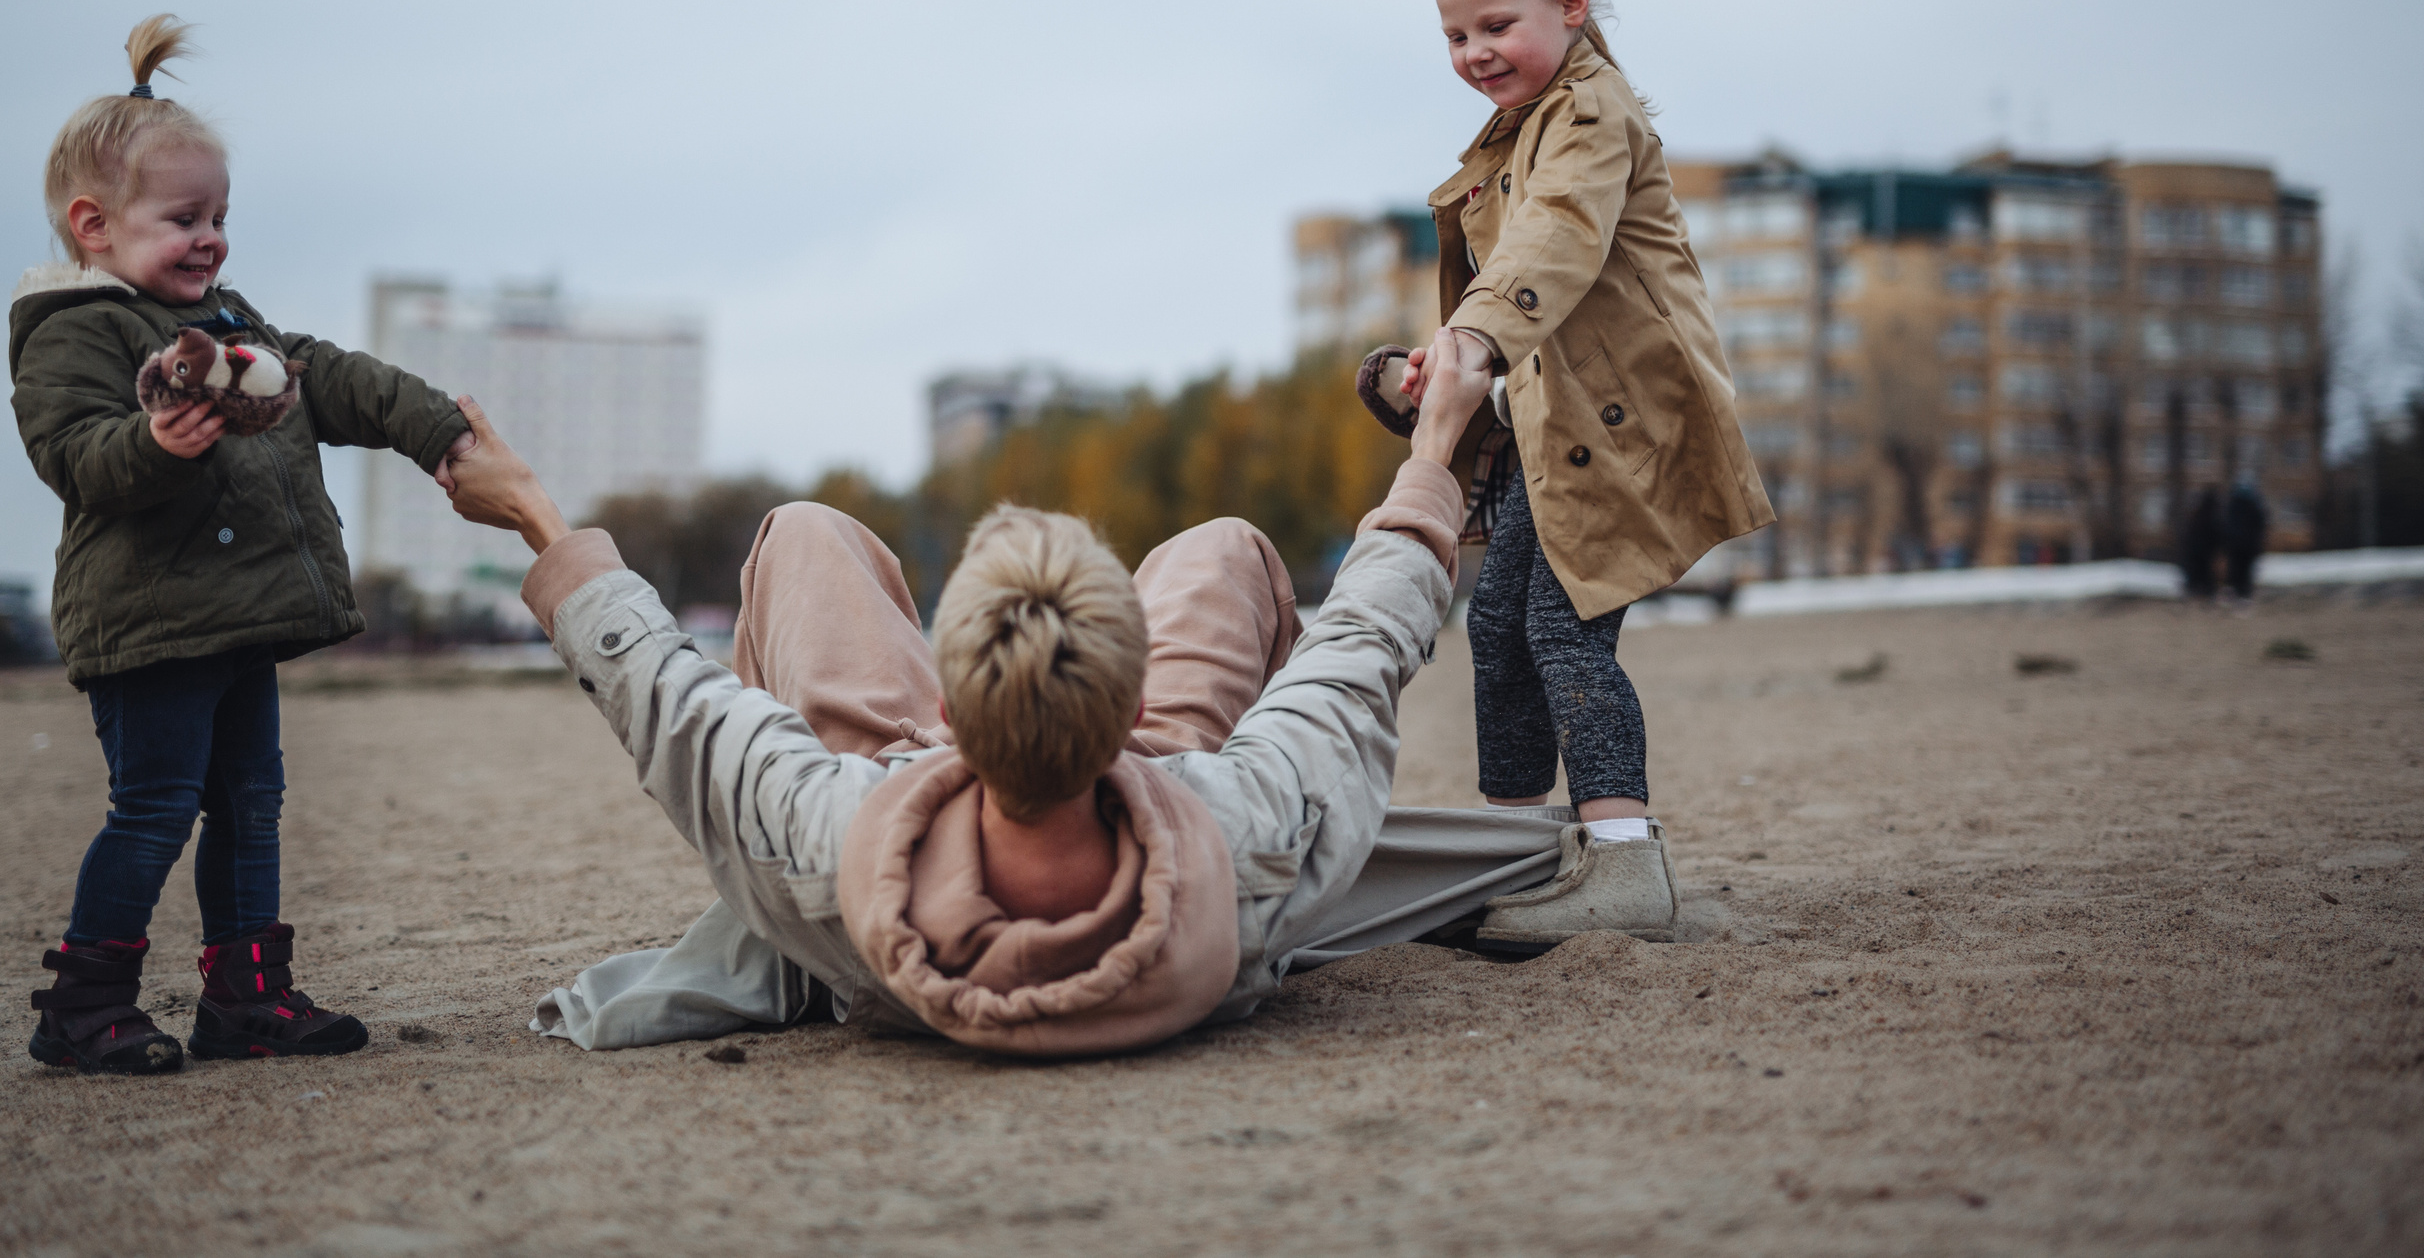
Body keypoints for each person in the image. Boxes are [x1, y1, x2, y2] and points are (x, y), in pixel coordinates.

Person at [441, 330, 1640, 1057]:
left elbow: (663, 693)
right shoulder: (1245, 824)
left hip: (891, 866)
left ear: (944, 715)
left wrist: (535, 512)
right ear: (1133, 710)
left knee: (803, 532)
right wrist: (1434, 449)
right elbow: (1362, 643)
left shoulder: (828, 830)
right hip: (1159, 839)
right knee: (1223, 549)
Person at [10, 16, 472, 1074]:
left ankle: (245, 997)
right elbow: (72, 453)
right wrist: (153, 443)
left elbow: (328, 377)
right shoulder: (75, 331)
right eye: (184, 218)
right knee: (155, 809)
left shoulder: (228, 326)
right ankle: (84, 1002)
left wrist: (436, 429)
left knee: (251, 806)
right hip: (150, 627)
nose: (211, 238)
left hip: (236, 621)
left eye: (220, 216)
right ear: (93, 225)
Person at [1355, 0, 1772, 955]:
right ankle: (1512, 855)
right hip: (1567, 431)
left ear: (1570, 5)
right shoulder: (1517, 132)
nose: (1474, 52)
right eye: (1455, 35)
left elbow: (1555, 246)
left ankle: (1625, 863)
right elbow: (1517, 298)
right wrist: (1444, 362)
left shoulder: (1587, 115)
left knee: (1561, 625)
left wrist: (1479, 337)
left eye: (1496, 25)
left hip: (1631, 426)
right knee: (1497, 625)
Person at [2223, 479, 2269, 604]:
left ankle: (2236, 592)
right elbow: (2261, 523)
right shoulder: (2255, 504)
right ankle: (2244, 594)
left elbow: (2226, 524)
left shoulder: (2233, 504)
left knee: (2236, 568)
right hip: (2249, 545)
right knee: (2246, 570)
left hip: (2235, 544)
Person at [2181, 487, 2224, 600]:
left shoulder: (2197, 515)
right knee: (2206, 576)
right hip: (2206, 553)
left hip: (2196, 552)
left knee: (2198, 575)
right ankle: (2204, 594)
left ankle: (2197, 593)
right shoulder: (2213, 516)